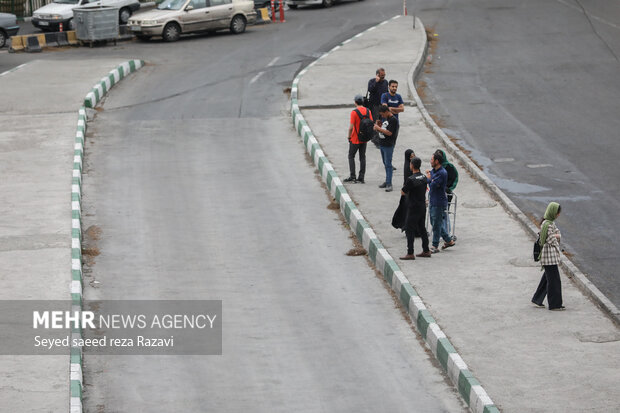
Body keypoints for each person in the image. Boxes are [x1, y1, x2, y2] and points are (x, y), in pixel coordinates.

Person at [531, 202, 565, 310]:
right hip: (549, 258)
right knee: (554, 281)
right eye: (557, 213)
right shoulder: (547, 225)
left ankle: (537, 299)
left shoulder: (550, 223)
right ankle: (555, 305)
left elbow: (556, 234)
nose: (558, 215)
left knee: (547, 279)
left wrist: (556, 235)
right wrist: (557, 236)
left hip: (550, 257)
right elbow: (552, 240)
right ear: (553, 212)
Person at [400, 156, 431, 260]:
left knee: (410, 229)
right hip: (422, 206)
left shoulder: (410, 179)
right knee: (422, 228)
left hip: (413, 207)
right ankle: (426, 250)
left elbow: (403, 191)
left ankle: (410, 252)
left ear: (412, 165)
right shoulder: (423, 177)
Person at [426, 151, 455, 253]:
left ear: (437, 161)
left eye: (432, 160)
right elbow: (431, 180)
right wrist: (430, 179)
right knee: (435, 222)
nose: (430, 161)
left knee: (436, 224)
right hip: (433, 200)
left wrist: (429, 179)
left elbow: (432, 185)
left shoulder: (442, 173)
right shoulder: (434, 171)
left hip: (439, 202)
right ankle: (448, 240)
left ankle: (435, 246)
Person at [345, 95, 373, 184]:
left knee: (351, 156)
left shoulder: (354, 112)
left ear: (355, 102)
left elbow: (351, 127)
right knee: (362, 157)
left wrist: (349, 137)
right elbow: (371, 123)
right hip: (364, 138)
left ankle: (353, 176)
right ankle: (361, 177)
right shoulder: (368, 111)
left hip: (355, 138)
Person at [373, 105, 399, 192]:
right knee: (385, 163)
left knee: (388, 164)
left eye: (382, 114)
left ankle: (389, 183)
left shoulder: (393, 120)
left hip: (388, 145)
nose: (382, 116)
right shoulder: (385, 119)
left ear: (386, 112)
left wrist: (379, 128)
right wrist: (379, 125)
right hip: (382, 144)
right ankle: (387, 180)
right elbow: (384, 127)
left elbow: (389, 133)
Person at [436, 149, 459, 239]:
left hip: (447, 194)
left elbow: (455, 179)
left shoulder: (450, 167)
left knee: (445, 213)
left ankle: (446, 232)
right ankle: (441, 231)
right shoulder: (436, 167)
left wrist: (448, 189)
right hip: (437, 194)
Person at [391, 149, 415, 231]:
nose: (413, 157)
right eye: (411, 156)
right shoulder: (409, 167)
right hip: (409, 192)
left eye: (413, 155)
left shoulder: (409, 164)